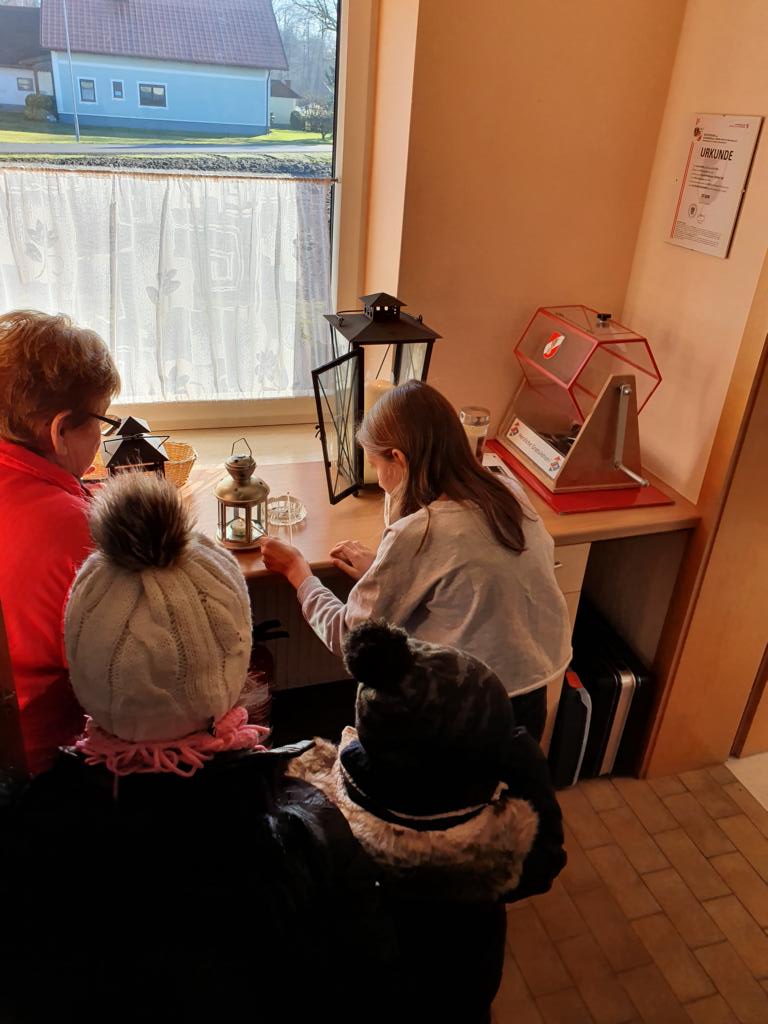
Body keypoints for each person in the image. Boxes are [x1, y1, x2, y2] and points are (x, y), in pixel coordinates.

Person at [0, 473, 397, 1023]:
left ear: (83, 656)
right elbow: (367, 986)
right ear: (233, 665)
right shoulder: (305, 834)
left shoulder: (29, 835)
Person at [288, 619, 567, 1023]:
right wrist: (524, 755)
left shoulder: (322, 808)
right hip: (463, 990)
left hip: (366, 990)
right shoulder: (489, 856)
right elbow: (545, 862)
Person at [261, 380, 571, 740]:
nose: (380, 482)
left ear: (399, 459)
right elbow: (462, 577)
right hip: (531, 695)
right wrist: (382, 568)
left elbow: (351, 639)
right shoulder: (508, 492)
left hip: (466, 713)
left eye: (376, 465)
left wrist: (298, 573)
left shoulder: (420, 532)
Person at [0, 310, 121, 774]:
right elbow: (125, 681)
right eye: (100, 420)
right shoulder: (74, 530)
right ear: (60, 430)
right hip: (47, 769)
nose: (101, 435)